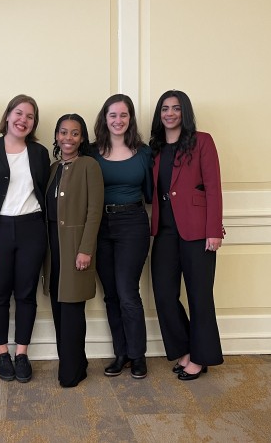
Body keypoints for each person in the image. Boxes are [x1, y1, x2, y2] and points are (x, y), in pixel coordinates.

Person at [0, 94, 50, 383]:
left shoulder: (40, 153)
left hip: (32, 229)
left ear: (34, 123)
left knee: (26, 294)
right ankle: (1, 352)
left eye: (30, 116)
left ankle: (21, 353)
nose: (23, 120)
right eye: (19, 113)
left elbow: (45, 193)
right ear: (7, 116)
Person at [149, 90, 224, 380]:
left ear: (185, 112)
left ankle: (201, 358)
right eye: (165, 108)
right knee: (165, 295)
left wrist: (214, 230)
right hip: (165, 232)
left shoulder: (202, 141)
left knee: (200, 296)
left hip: (197, 231)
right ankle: (185, 351)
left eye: (176, 108)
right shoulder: (154, 148)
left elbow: (214, 187)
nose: (169, 113)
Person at [91, 94, 153, 379]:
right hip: (100, 225)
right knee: (111, 295)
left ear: (130, 119)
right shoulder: (91, 153)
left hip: (132, 224)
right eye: (113, 115)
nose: (118, 120)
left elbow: (152, 196)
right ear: (105, 118)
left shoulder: (144, 153)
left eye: (123, 115)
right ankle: (121, 354)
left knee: (128, 293)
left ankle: (138, 355)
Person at [44, 114, 104, 388]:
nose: (68, 138)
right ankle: (74, 362)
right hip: (53, 248)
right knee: (58, 306)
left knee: (72, 309)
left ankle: (72, 369)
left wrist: (85, 249)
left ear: (82, 138)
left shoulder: (89, 165)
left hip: (76, 247)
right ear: (56, 136)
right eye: (63, 132)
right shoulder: (54, 167)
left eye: (75, 133)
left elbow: (94, 211)